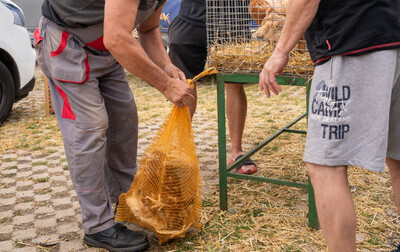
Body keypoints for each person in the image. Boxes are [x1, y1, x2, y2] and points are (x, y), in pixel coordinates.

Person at [34, 0, 196, 251]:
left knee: (124, 120)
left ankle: (129, 205)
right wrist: (165, 85)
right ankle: (97, 225)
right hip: (67, 44)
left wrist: (166, 66)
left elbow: (149, 29)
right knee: (89, 128)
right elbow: (118, 38)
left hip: (107, 49)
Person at [259, 0, 400, 251]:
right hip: (393, 29)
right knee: (398, 158)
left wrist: (280, 51)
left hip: (352, 37)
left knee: (324, 165)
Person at [168, 0, 258, 174]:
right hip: (190, 17)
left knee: (234, 83)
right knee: (184, 83)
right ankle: (180, 150)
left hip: (233, 19)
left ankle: (236, 151)